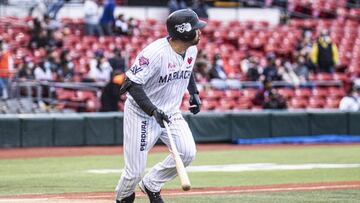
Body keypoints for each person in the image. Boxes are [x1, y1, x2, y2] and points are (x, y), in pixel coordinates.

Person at [115, 9, 206, 203]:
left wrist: (194, 93)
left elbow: (186, 69)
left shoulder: (191, 49)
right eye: (197, 28)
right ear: (184, 32)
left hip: (170, 112)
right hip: (142, 114)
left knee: (187, 152)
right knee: (134, 172)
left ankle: (152, 184)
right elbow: (130, 84)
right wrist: (152, 110)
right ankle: (123, 198)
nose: (200, 32)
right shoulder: (155, 53)